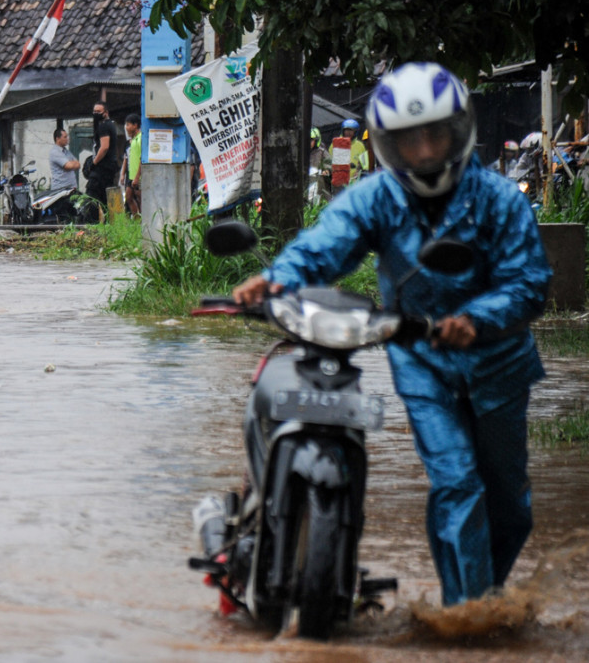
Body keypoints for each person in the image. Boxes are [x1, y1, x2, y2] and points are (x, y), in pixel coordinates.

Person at [231, 62, 552, 607]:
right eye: (408, 140)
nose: (423, 151)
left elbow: (529, 281)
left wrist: (476, 319)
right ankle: (468, 616)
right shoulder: (377, 196)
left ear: (459, 131)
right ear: (386, 144)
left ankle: (487, 597)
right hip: (422, 361)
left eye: (434, 135)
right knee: (456, 483)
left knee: (510, 504)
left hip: (499, 363)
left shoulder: (501, 199)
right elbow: (328, 241)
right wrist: (278, 278)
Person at [87, 100, 118, 207]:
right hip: (108, 168)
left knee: (92, 198)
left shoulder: (104, 126)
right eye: (94, 111)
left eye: (98, 111)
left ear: (106, 112)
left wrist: (94, 163)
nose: (96, 114)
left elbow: (104, 147)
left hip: (102, 168)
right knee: (104, 198)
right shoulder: (110, 125)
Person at [119, 113, 142, 215]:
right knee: (128, 197)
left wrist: (137, 177)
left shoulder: (140, 138)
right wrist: (123, 174)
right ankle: (137, 219)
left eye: (128, 125)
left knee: (140, 198)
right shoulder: (132, 141)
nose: (126, 127)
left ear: (135, 125)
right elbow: (126, 159)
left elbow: (142, 159)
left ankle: (143, 221)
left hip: (138, 175)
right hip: (131, 175)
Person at [49, 127, 81, 192]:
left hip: (70, 189)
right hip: (60, 190)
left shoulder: (66, 151)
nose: (67, 139)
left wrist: (71, 163)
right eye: (65, 137)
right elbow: (69, 166)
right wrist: (72, 163)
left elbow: (78, 164)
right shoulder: (55, 152)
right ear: (58, 139)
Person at [308, 127, 331, 201]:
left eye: (311, 140)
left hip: (318, 180)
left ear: (316, 140)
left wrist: (327, 170)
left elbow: (328, 161)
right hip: (306, 179)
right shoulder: (302, 151)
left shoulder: (321, 151)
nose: (309, 143)